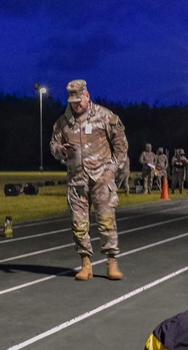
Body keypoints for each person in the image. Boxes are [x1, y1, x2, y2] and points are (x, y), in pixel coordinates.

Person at [49, 79, 129, 281]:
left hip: (101, 179)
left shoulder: (105, 116)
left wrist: (111, 169)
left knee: (106, 221)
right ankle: (85, 263)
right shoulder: (63, 122)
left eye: (79, 100)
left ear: (87, 95)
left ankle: (112, 262)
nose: (76, 105)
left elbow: (121, 146)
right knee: (78, 224)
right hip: (77, 181)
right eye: (72, 101)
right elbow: (53, 145)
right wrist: (61, 151)